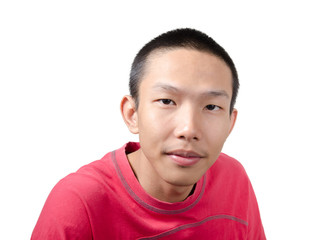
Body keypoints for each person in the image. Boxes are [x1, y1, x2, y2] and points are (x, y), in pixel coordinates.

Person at [32, 28, 266, 239]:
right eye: (167, 101)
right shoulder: (78, 203)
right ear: (132, 113)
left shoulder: (234, 179)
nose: (189, 129)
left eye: (211, 107)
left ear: (230, 123)